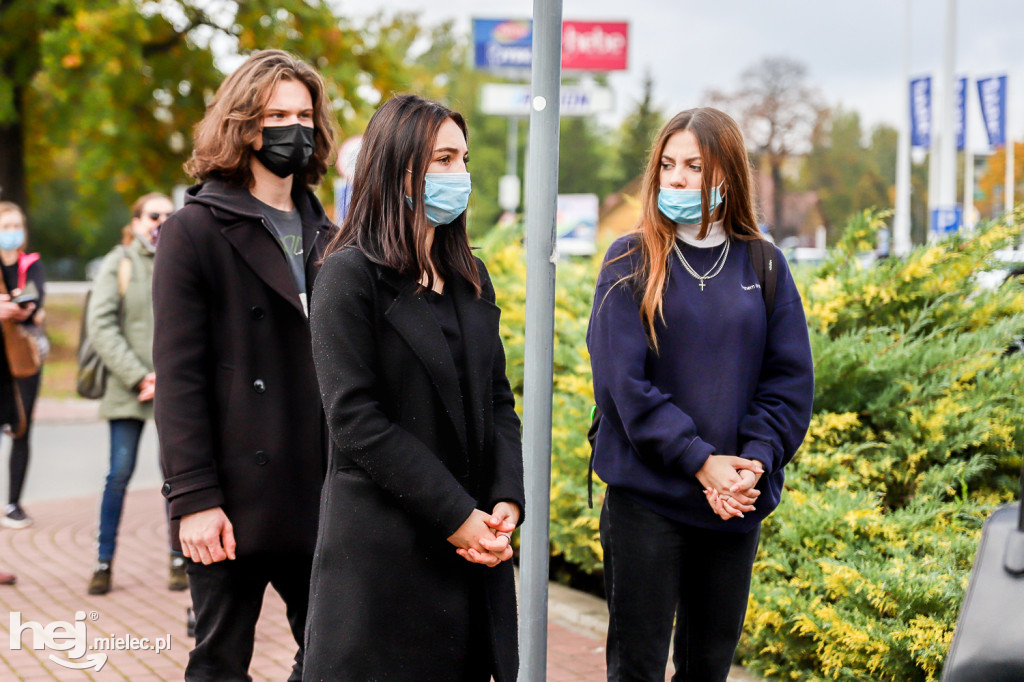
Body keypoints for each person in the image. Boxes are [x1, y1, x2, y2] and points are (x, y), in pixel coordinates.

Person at [586, 107, 814, 682]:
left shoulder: (764, 264)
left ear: (728, 177)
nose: (678, 179)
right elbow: (622, 386)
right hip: (648, 501)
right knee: (636, 667)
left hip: (733, 505)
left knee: (707, 668)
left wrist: (752, 465)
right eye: (668, 165)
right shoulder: (629, 259)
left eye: (695, 166)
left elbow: (787, 383)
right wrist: (699, 461)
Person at [304, 94, 525, 682]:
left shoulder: (469, 278)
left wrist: (506, 500)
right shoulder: (348, 275)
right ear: (398, 169)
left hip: (473, 549)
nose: (460, 175)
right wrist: (457, 514)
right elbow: (355, 420)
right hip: (387, 555)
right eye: (443, 160)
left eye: (463, 159)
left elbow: (499, 399)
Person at [153, 50, 336, 681]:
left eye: (304, 115)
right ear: (242, 124)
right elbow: (180, 380)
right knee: (220, 661)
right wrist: (194, 499)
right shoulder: (192, 231)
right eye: (275, 115)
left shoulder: (331, 235)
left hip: (322, 491)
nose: (293, 128)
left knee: (335, 657)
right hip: (232, 499)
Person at [86, 192, 184, 595]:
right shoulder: (120, 262)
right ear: (137, 221)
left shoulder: (180, 258)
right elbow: (101, 324)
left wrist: (169, 376)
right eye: (153, 215)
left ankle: (179, 558)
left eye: (167, 215)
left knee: (177, 477)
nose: (160, 221)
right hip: (129, 391)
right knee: (119, 474)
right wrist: (138, 376)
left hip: (173, 388)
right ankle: (103, 561)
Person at [0, 201, 46, 530]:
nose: (11, 234)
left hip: (24, 358)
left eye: (16, 227)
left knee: (22, 427)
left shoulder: (31, 264)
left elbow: (37, 301)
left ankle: (14, 503)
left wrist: (25, 308)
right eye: (5, 227)